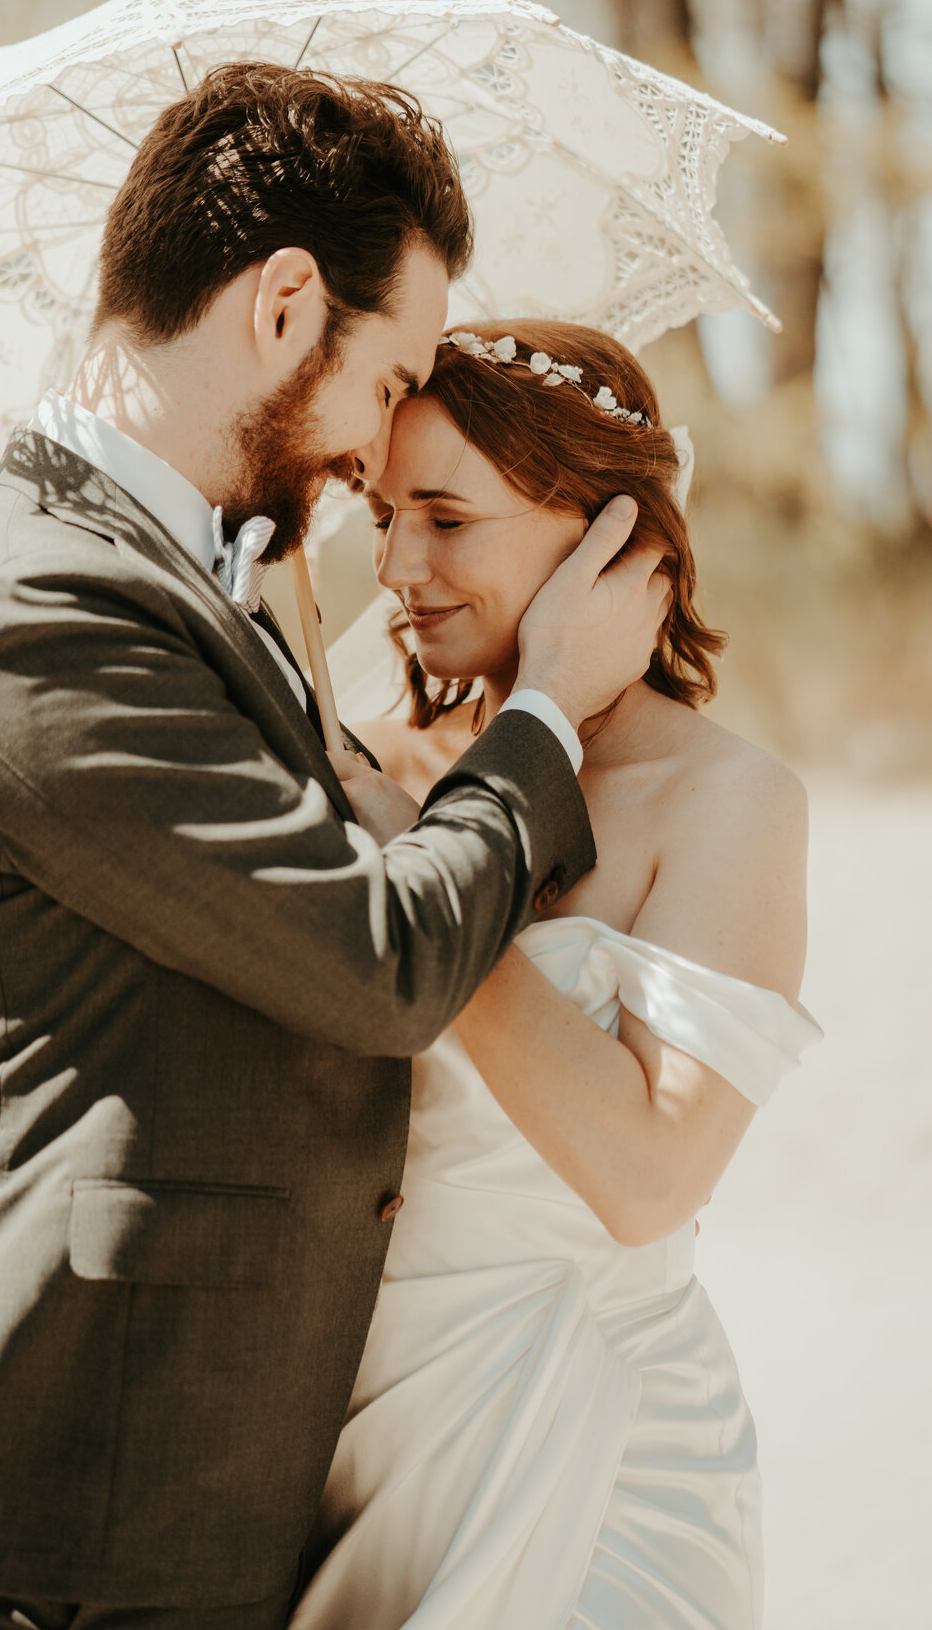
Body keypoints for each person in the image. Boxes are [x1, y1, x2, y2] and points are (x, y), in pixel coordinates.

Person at [0, 68, 668, 1630]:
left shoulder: (190, 585)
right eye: (386, 371)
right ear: (283, 307)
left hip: (182, 1470)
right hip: (64, 1482)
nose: (381, 438)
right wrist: (549, 708)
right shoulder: (42, 606)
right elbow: (377, 963)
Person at [292, 322, 820, 1630]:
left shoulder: (727, 802)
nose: (400, 565)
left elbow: (652, 1178)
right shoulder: (356, 768)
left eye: (449, 517)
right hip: (346, 1448)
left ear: (605, 540)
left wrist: (426, 884)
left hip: (598, 1459)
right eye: (382, 512)